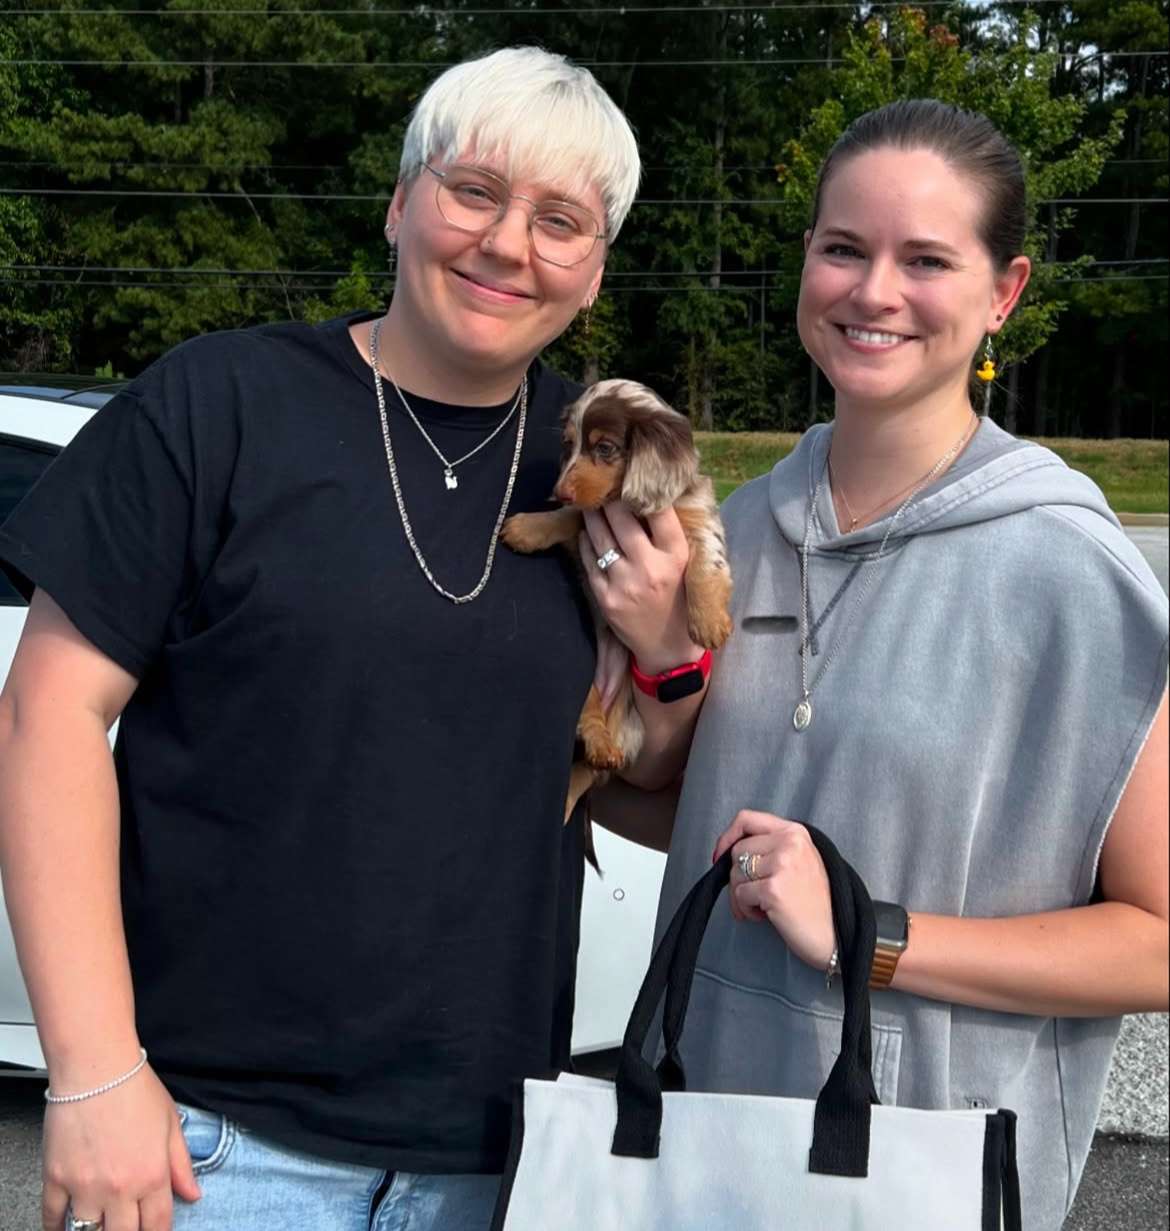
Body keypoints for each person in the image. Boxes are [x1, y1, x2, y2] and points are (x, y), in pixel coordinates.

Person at [0, 46, 705, 1231]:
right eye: (472, 191)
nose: (505, 244)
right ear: (400, 201)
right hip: (207, 1148)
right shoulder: (217, 405)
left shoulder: (607, 472)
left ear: (593, 273)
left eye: (559, 221)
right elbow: (48, 714)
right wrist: (96, 1071)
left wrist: (667, 659)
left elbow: (634, 794)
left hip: (493, 1157)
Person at [592, 99, 1168, 1231]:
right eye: (844, 247)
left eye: (927, 259)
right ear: (805, 257)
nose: (873, 291)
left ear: (1005, 291)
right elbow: (697, 811)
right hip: (696, 1147)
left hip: (921, 1173)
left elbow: (1157, 942)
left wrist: (875, 936)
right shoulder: (735, 531)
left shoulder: (1069, 569)